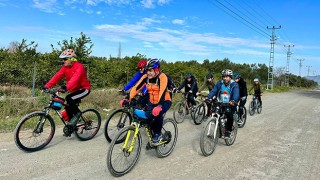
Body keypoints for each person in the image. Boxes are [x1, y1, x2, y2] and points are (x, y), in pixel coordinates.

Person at [121, 58, 172, 144]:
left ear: (156, 70)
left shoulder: (162, 77)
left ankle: (158, 134)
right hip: (152, 101)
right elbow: (136, 88)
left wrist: (159, 106)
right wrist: (127, 98)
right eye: (147, 70)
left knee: (157, 114)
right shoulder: (145, 78)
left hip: (164, 101)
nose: (148, 72)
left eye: (150, 70)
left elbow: (162, 92)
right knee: (148, 118)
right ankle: (152, 136)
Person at [43, 49, 91, 136]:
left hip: (84, 89)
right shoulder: (65, 68)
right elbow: (57, 76)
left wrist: (66, 87)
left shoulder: (79, 67)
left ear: (71, 59)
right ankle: (71, 127)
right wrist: (47, 86)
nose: (63, 61)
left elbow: (74, 79)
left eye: (65, 59)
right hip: (74, 90)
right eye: (63, 59)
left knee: (69, 98)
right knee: (68, 107)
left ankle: (78, 113)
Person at [207, 69, 239, 138]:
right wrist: (208, 97)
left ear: (230, 77)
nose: (225, 78)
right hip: (220, 102)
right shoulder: (219, 83)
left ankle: (228, 130)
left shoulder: (234, 84)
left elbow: (236, 94)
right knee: (216, 113)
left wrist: (233, 100)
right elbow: (214, 90)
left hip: (230, 103)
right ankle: (219, 128)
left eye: (227, 77)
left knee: (229, 114)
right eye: (224, 77)